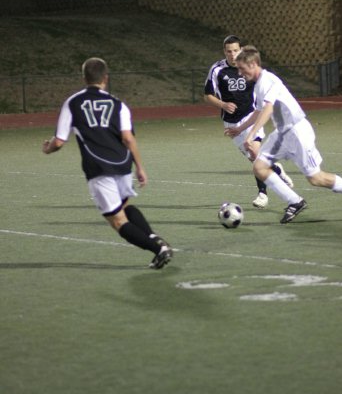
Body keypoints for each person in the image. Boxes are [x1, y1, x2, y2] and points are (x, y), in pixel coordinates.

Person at [42, 57, 173, 269]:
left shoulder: (73, 102)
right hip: (123, 164)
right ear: (106, 78)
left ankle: (158, 249)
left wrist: (47, 148)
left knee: (118, 221)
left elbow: (59, 141)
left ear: (84, 78)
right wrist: (140, 167)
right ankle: (154, 238)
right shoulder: (118, 104)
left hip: (98, 168)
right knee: (125, 205)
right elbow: (128, 138)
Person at [226, 46, 342, 223]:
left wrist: (251, 135)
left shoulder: (268, 80)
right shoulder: (258, 86)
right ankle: (295, 202)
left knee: (316, 178)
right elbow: (258, 111)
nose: (240, 73)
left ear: (254, 63)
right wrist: (240, 130)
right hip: (282, 134)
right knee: (259, 167)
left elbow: (268, 108)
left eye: (242, 68)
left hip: (298, 132)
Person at [204, 35, 294, 209]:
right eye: (228, 51)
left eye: (235, 50)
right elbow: (207, 95)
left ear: (241, 50)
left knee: (255, 153)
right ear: (224, 52)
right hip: (231, 123)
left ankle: (262, 194)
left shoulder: (247, 67)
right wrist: (222, 104)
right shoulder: (217, 70)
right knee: (255, 159)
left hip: (251, 115)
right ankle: (276, 169)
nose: (232, 54)